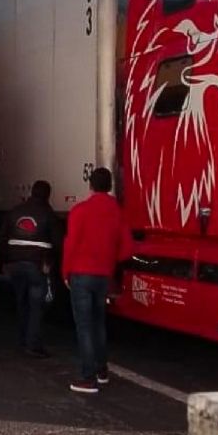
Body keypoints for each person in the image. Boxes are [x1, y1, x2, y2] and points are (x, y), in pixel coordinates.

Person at [61, 167, 131, 394]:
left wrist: (66, 272)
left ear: (90, 185)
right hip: (103, 275)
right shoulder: (116, 211)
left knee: (84, 326)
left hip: (81, 273)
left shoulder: (80, 210)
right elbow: (127, 247)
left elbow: (70, 244)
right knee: (98, 323)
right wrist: (111, 260)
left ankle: (87, 377)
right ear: (109, 186)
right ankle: (102, 371)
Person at [0, 180, 61, 358]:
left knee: (21, 303)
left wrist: (6, 260)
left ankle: (20, 340)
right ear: (47, 195)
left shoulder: (15, 211)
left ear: (31, 192)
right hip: (37, 265)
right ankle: (32, 344)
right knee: (36, 306)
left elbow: (2, 237)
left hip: (15, 265)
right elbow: (58, 243)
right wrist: (51, 263)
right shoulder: (49, 215)